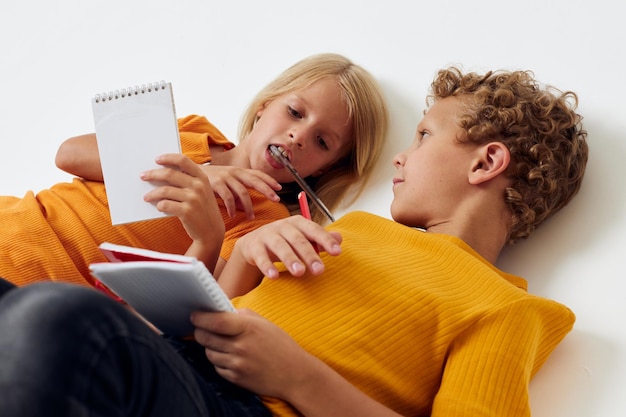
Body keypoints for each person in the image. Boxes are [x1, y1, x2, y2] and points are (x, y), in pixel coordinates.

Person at [0, 66, 588, 416]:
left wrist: (298, 378)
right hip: (176, 363)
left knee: (59, 319)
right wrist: (239, 261)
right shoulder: (349, 230)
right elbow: (201, 327)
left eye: (424, 135)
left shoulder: (506, 309)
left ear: (487, 161)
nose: (402, 159)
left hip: (243, 407)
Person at [0, 52, 389, 287]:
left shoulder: (263, 220)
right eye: (295, 112)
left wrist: (208, 226)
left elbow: (198, 303)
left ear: (325, 169)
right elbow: (69, 154)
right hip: (14, 220)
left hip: (49, 281)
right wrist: (201, 173)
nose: (298, 136)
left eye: (322, 142)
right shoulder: (194, 131)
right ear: (264, 106)